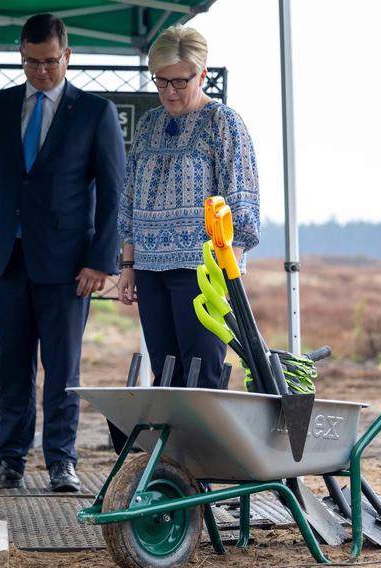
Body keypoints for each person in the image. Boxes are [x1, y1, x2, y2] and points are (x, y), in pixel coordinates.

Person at [0, 14, 125, 493]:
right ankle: (7, 461)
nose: (41, 72)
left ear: (67, 56)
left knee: (62, 368)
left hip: (70, 265)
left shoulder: (96, 112)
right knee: (11, 365)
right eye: (31, 62)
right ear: (21, 57)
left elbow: (115, 195)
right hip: (5, 259)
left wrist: (101, 260)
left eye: (50, 62)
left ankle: (61, 462)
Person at [116, 24, 260, 389]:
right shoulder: (149, 123)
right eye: (161, 81)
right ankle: (173, 448)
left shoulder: (223, 123)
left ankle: (204, 448)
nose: (170, 91)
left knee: (202, 374)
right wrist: (128, 264)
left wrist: (227, 276)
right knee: (165, 376)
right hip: (149, 268)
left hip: (202, 271)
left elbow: (242, 205)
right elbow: (130, 200)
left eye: (180, 81)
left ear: (203, 74)